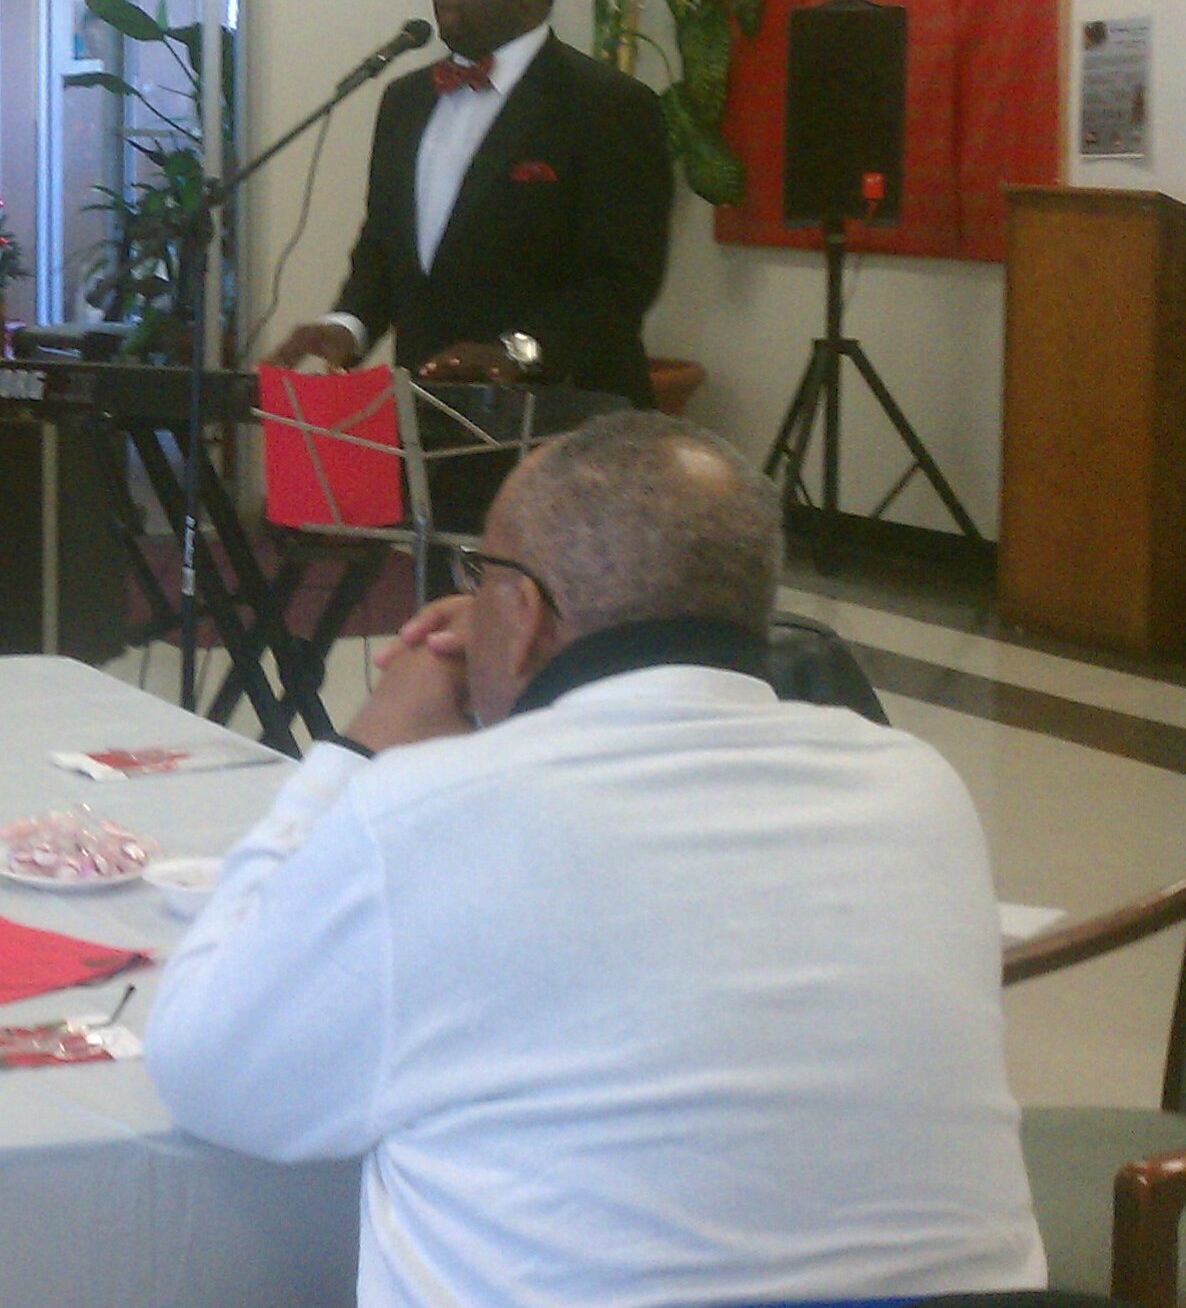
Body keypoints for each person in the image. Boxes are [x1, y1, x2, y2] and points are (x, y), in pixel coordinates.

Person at [145, 410, 1045, 1308]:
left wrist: (357, 753)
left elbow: (205, 1067)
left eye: (481, 579)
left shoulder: (424, 811)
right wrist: (504, 649)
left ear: (524, 613)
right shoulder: (915, 782)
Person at [270, 0, 673, 410]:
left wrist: (517, 352)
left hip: (562, 411)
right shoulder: (406, 100)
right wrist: (349, 324)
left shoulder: (607, 104)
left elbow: (622, 279)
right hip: (428, 407)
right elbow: (384, 244)